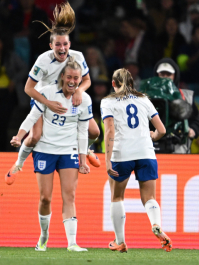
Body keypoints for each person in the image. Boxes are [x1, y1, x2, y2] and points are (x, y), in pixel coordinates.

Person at [7, 2, 100, 181]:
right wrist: (48, 103)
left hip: (68, 97)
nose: (62, 48)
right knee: (35, 136)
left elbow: (87, 80)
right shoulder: (42, 60)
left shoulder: (78, 57)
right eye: (58, 45)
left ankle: (85, 148)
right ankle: (18, 164)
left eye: (65, 44)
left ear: (69, 44)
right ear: (51, 46)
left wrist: (80, 91)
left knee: (95, 132)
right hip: (44, 99)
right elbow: (28, 88)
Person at [17, 57, 91, 252]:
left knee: (70, 195)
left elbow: (83, 132)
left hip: (68, 151)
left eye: (76, 78)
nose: (73, 81)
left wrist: (83, 160)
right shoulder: (47, 93)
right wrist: (19, 136)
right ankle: (44, 235)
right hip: (45, 150)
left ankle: (72, 242)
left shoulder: (84, 99)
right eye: (69, 77)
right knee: (45, 198)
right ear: (62, 77)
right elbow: (32, 116)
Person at [101, 68, 171, 253]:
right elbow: (162, 130)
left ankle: (120, 241)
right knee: (149, 198)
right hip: (146, 153)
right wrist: (153, 137)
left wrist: (107, 160)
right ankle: (155, 223)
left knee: (117, 197)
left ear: (113, 84)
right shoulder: (143, 99)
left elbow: (109, 130)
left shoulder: (108, 102)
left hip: (121, 154)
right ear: (132, 84)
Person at [153, 59, 199, 152]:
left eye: (168, 74)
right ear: (157, 75)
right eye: (162, 74)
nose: (165, 77)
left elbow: (197, 119)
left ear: (175, 76)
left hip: (180, 149)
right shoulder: (146, 97)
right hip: (152, 150)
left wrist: (193, 130)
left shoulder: (187, 96)